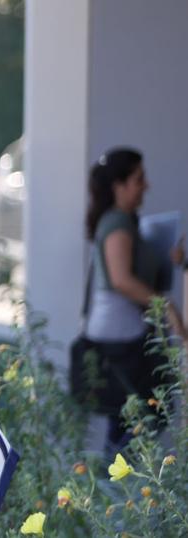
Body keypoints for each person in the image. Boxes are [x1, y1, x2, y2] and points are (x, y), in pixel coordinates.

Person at [76, 147, 185, 448]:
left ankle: (113, 484)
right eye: (139, 178)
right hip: (121, 338)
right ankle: (115, 483)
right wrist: (169, 308)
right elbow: (122, 279)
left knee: (132, 417)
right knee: (143, 416)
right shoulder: (117, 224)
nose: (146, 185)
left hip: (122, 335)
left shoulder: (126, 222)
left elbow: (134, 272)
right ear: (119, 186)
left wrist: (167, 255)